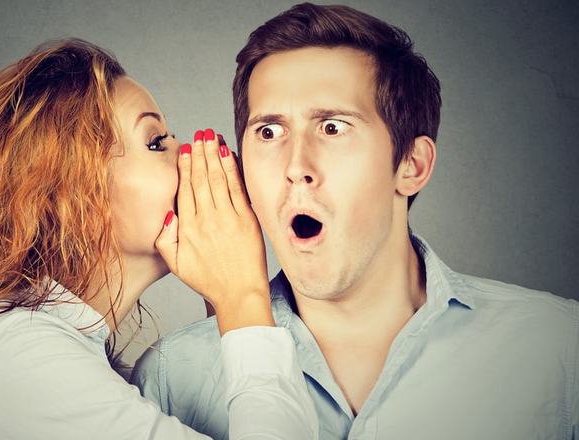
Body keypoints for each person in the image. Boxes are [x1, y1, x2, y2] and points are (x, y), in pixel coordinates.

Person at [131, 4, 579, 439]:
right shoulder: (171, 379)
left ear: (411, 164)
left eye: (331, 127)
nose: (295, 165)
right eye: (269, 132)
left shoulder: (558, 350)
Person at [0, 38, 318, 440]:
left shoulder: (40, 344)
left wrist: (221, 300)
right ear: (76, 192)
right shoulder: (18, 350)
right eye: (156, 143)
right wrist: (243, 295)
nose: (192, 155)